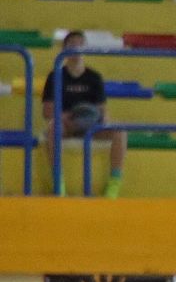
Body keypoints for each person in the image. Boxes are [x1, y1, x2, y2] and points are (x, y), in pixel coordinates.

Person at [44, 30, 124, 197]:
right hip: (67, 124)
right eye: (72, 44)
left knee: (119, 131)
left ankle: (114, 183)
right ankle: (59, 182)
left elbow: (103, 110)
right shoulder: (55, 76)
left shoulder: (94, 77)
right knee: (52, 129)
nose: (76, 48)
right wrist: (70, 117)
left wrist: (100, 120)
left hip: (91, 126)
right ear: (64, 49)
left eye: (80, 44)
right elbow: (47, 111)